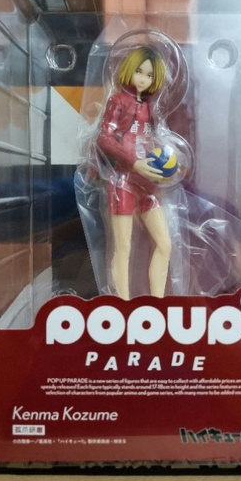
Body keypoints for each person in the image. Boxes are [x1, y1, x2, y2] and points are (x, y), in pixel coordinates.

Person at [97, 46, 173, 300]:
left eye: (149, 75)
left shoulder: (150, 107)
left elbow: (154, 140)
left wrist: (167, 166)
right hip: (123, 181)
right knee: (123, 247)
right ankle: (123, 304)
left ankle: (158, 302)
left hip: (147, 182)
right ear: (129, 70)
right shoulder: (118, 101)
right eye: (139, 71)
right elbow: (104, 138)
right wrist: (134, 162)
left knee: (165, 244)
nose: (143, 79)